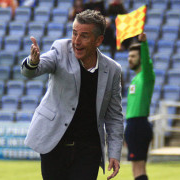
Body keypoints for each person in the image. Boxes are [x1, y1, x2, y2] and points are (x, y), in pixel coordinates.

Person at [21, 9, 124, 180]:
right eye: (74, 33)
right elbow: (33, 70)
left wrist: (114, 153)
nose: (76, 41)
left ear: (99, 40)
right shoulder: (60, 50)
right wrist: (33, 62)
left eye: (84, 36)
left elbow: (114, 117)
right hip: (53, 144)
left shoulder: (113, 70)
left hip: (89, 150)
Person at [124, 33, 155, 180]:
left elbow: (148, 64)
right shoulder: (135, 79)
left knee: (138, 168)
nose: (130, 59)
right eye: (129, 56)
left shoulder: (146, 76)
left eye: (133, 56)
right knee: (137, 167)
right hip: (133, 125)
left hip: (139, 124)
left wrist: (144, 44)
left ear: (141, 58)